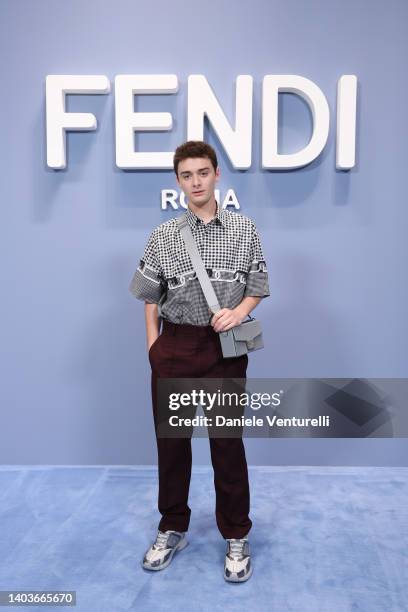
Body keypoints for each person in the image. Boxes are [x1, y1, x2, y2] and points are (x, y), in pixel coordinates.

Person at [129, 140, 270, 582]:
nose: (196, 182)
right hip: (174, 348)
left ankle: (236, 533)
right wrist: (154, 347)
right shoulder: (163, 236)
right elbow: (149, 298)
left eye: (203, 173)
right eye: (187, 175)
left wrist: (240, 312)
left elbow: (258, 285)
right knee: (172, 444)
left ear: (216, 175)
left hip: (224, 349)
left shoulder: (244, 230)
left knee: (227, 443)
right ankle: (173, 525)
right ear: (178, 181)